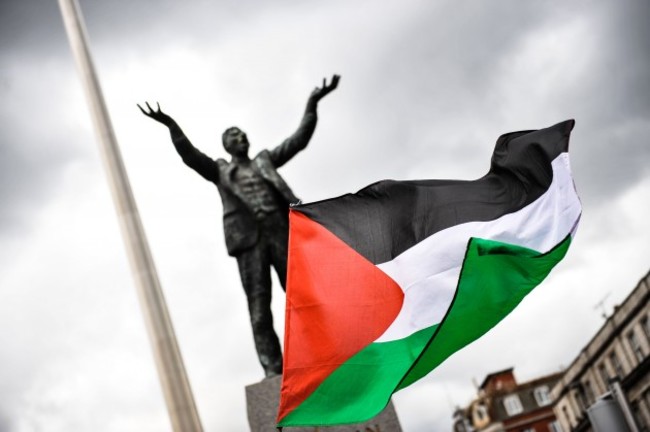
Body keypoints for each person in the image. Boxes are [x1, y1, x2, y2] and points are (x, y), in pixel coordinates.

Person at [138, 75, 340, 377]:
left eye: (242, 132)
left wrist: (313, 102)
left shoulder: (265, 161)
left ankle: (326, 353)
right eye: (234, 134)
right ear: (226, 145)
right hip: (249, 242)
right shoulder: (220, 170)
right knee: (259, 309)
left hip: (281, 233)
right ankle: (274, 370)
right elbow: (190, 156)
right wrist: (170, 125)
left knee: (303, 299)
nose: (241, 136)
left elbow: (299, 140)